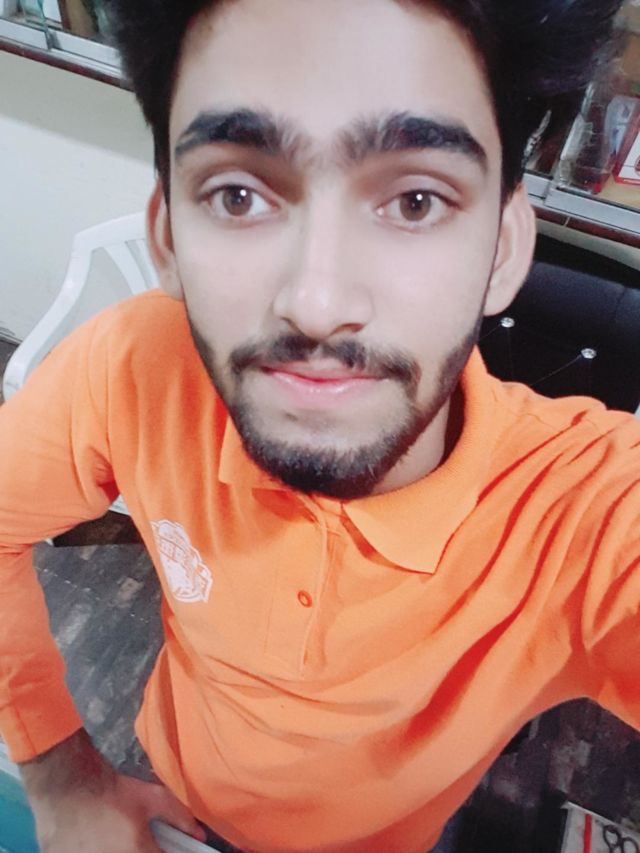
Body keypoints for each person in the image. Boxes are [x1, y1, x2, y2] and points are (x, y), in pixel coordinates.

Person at [0, 0, 634, 851]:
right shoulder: (133, 369)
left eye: (415, 200)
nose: (316, 302)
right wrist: (58, 767)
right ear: (168, 238)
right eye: (237, 194)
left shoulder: (584, 512)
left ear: (504, 249)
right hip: (175, 799)